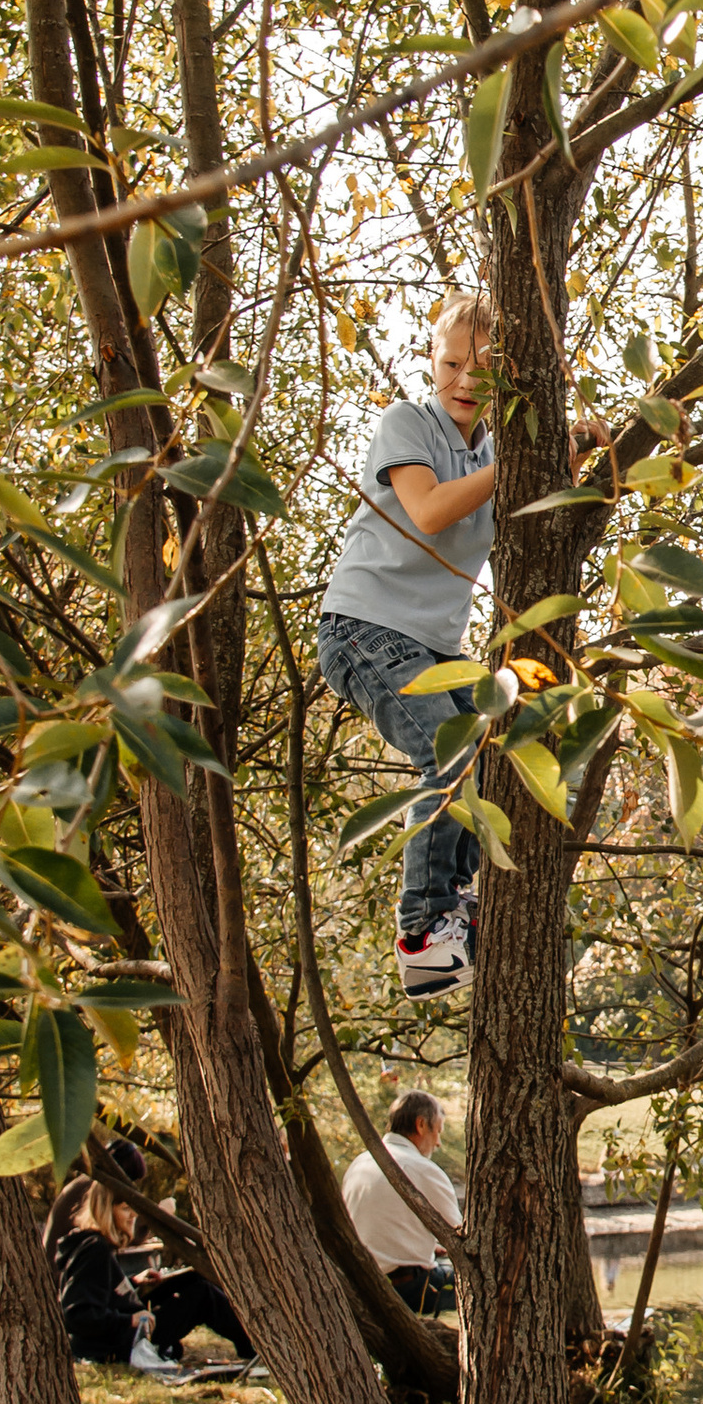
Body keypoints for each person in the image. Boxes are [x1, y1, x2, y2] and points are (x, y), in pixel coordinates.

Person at [315, 288, 497, 1001]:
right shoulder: (408, 424)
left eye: (480, 367)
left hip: (431, 644)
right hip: (365, 628)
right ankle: (422, 931)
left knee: (487, 749)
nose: (462, 382)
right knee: (448, 752)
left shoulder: (492, 447)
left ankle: (454, 898)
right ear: (430, 360)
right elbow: (425, 511)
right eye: (449, 363)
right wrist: (517, 472)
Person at [49, 1175, 255, 1375]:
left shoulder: (97, 1247)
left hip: (124, 1328)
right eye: (125, 1209)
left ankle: (252, 1340)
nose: (133, 1216)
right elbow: (78, 1316)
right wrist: (130, 1320)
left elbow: (100, 1290)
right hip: (116, 1341)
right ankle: (256, 1345)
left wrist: (133, 1282)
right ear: (105, 1211)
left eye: (133, 1209)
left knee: (192, 1278)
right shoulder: (94, 1250)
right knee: (202, 1295)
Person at [341, 1090, 462, 1318]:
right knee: (490, 1288)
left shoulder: (360, 1163)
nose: (438, 1143)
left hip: (360, 1284)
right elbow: (463, 1242)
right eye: (438, 1131)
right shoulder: (422, 1169)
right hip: (407, 1288)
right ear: (421, 1125)